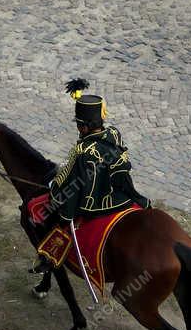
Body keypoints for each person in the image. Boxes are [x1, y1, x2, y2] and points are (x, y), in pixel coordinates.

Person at [49, 77, 150, 222]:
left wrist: (57, 197)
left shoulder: (83, 150)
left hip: (94, 206)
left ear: (83, 127)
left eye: (79, 124)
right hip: (121, 197)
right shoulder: (114, 134)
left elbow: (71, 183)